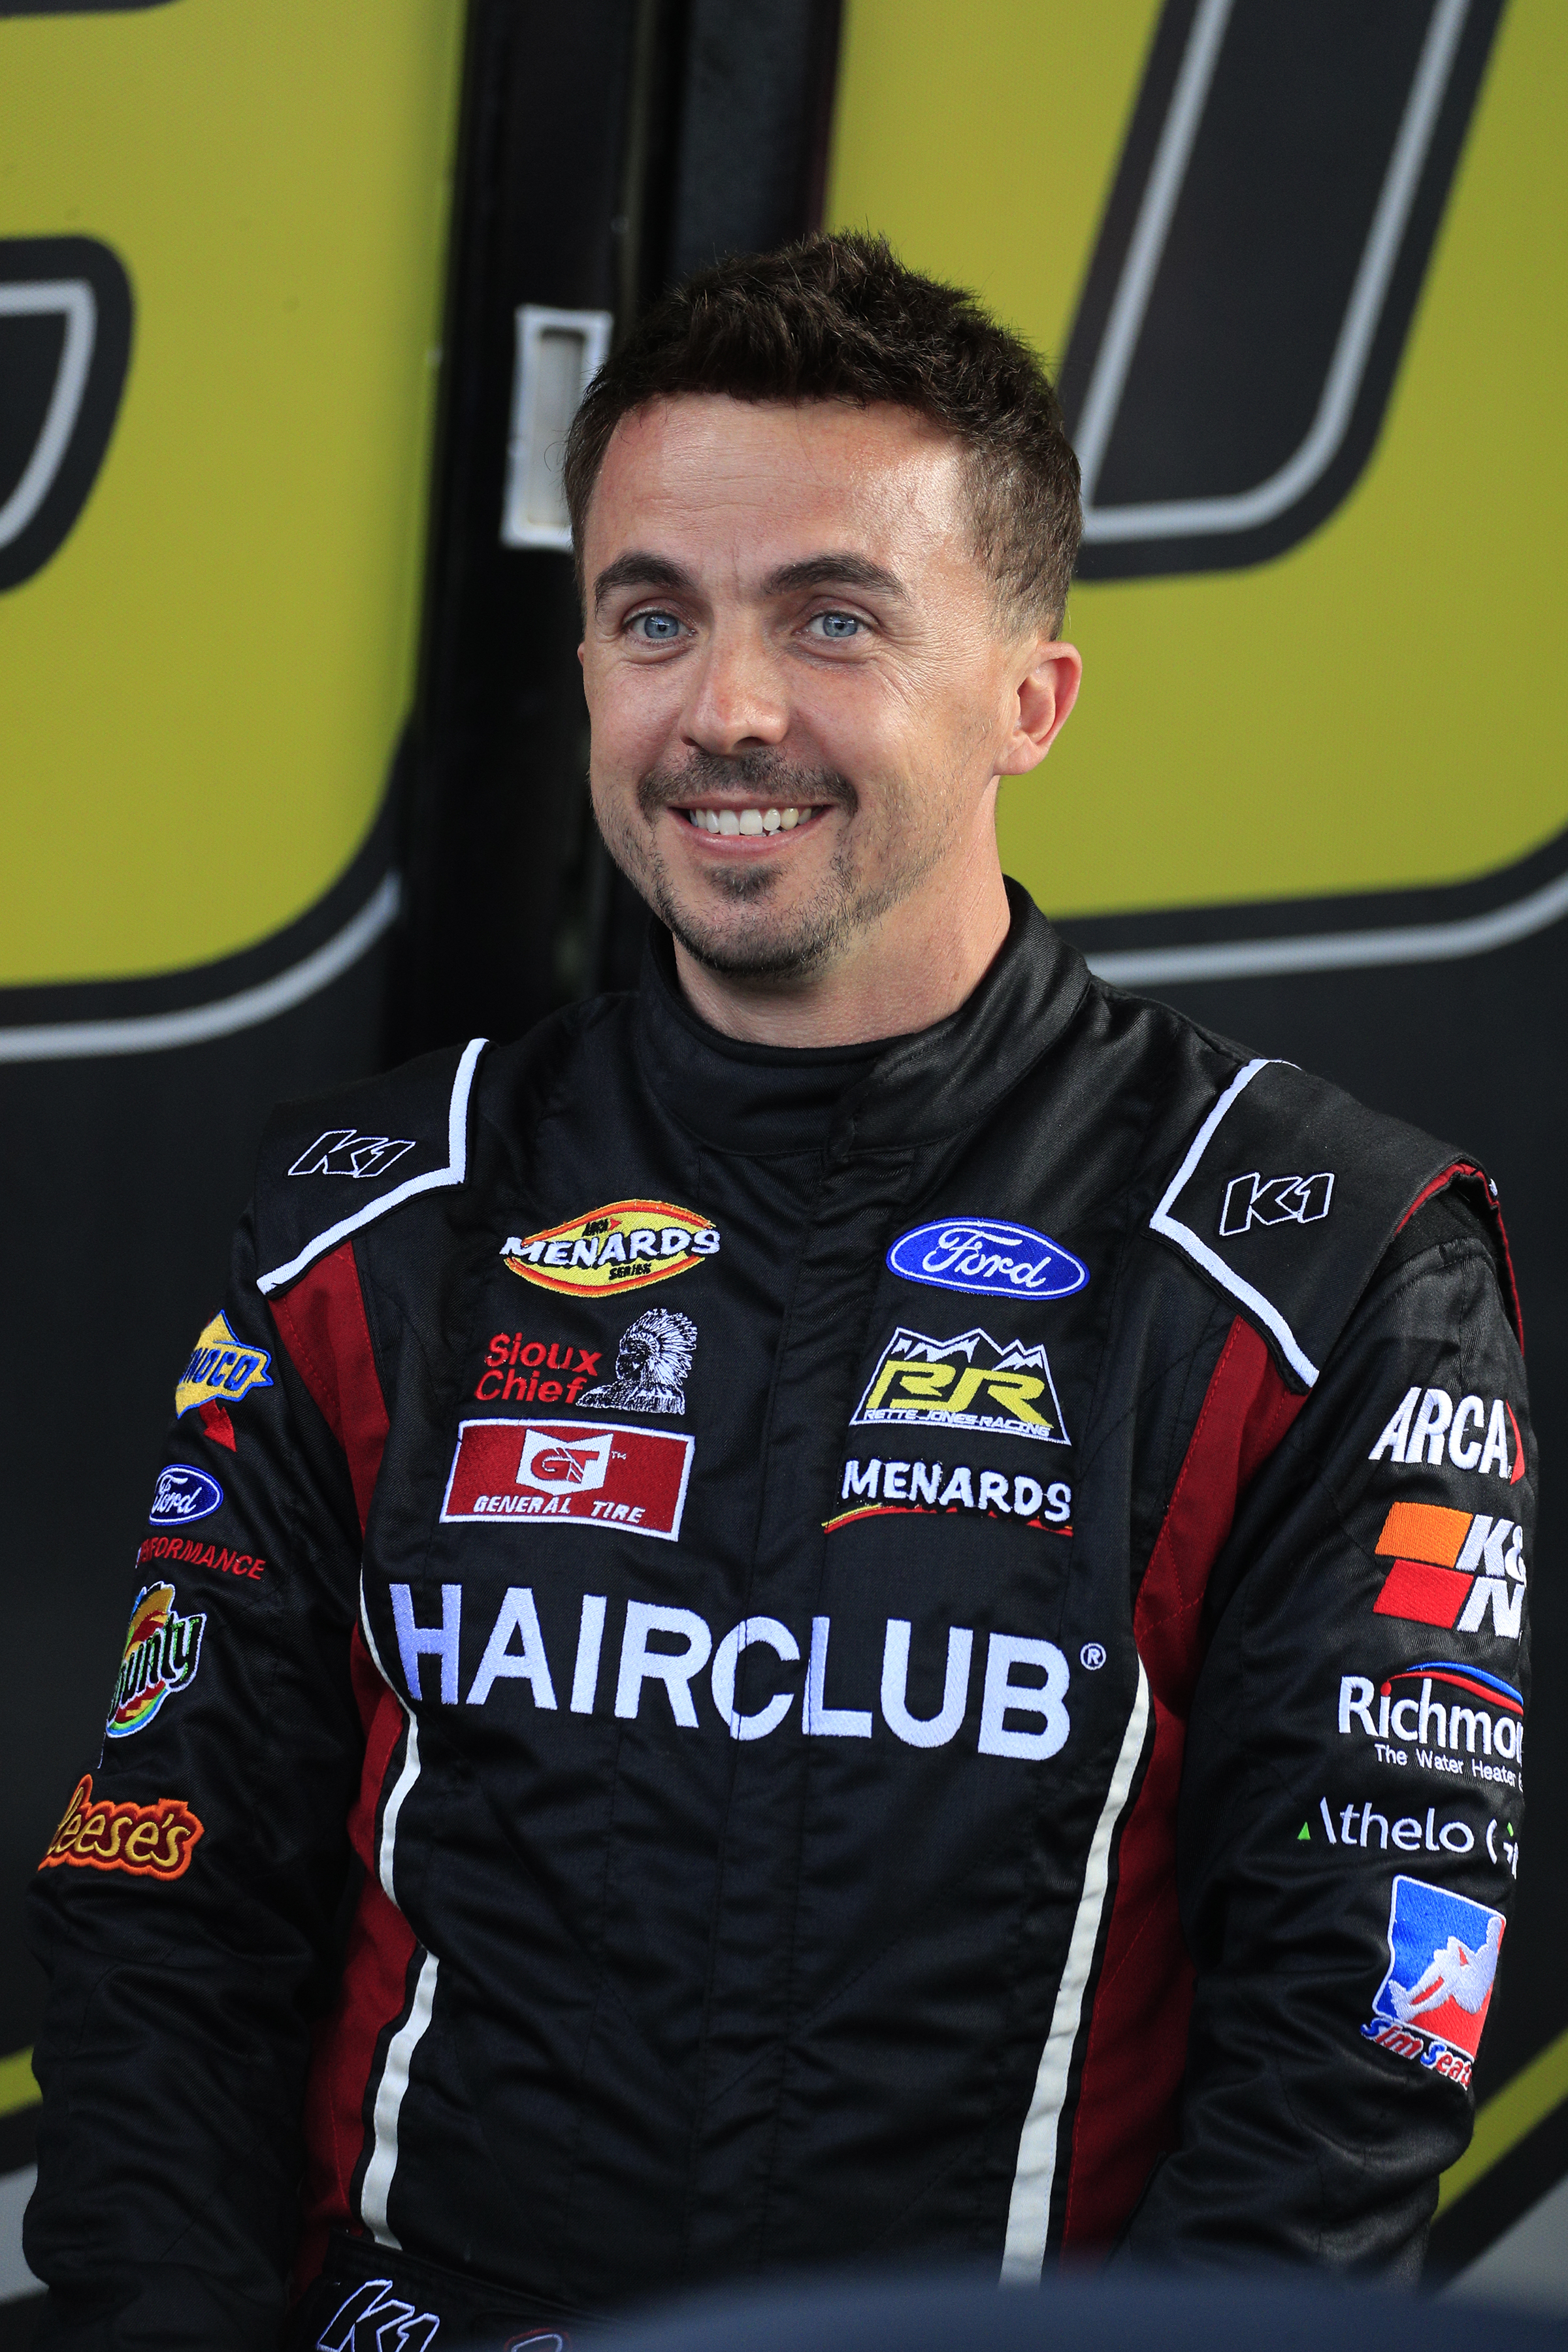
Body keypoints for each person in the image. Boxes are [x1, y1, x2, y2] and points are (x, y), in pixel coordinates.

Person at [25, 235, 1532, 2349]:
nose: (726, 709)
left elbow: (1356, 2043)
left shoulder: (1321, 1261)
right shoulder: (367, 1225)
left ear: (1033, 694)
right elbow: (160, 1911)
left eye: (833, 617)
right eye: (656, 616)